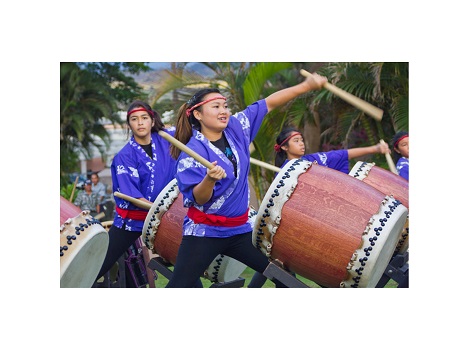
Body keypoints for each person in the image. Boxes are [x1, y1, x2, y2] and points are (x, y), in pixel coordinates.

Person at [165, 72, 327, 288]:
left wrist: (306, 86)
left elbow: (268, 103)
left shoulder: (236, 127)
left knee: (284, 278)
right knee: (178, 287)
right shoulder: (191, 153)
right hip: (204, 233)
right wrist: (209, 180)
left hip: (241, 230)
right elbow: (199, 199)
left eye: (224, 105)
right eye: (215, 107)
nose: (223, 111)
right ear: (197, 115)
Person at [248, 126, 391, 288]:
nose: (302, 143)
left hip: (319, 221)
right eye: (296, 141)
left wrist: (376, 148)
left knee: (283, 267)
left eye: (302, 140)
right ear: (284, 147)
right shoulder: (285, 172)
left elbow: (343, 155)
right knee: (278, 264)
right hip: (298, 224)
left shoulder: (312, 160)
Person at [93, 100, 197, 287]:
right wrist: (166, 211)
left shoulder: (167, 139)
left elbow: (189, 129)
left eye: (144, 118)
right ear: (129, 124)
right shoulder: (124, 156)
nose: (140, 123)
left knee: (185, 261)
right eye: (134, 119)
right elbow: (132, 196)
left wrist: (194, 109)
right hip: (133, 220)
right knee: (100, 264)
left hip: (163, 220)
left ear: (152, 120)